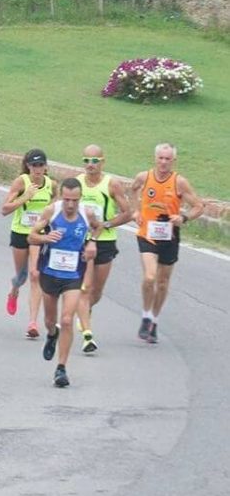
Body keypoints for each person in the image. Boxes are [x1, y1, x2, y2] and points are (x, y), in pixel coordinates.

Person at [131, 143, 204, 344]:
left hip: (169, 237)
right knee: (149, 276)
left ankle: (154, 320)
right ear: (155, 158)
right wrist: (136, 210)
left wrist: (184, 217)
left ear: (173, 161)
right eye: (160, 158)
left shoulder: (179, 182)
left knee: (162, 283)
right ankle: (145, 316)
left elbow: (199, 206)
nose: (163, 162)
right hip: (147, 234)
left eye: (167, 159)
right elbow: (133, 189)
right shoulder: (144, 177)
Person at [28, 179, 98, 387]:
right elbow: (31, 237)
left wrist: (93, 243)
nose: (70, 205)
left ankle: (61, 368)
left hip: (73, 275)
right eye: (66, 199)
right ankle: (52, 334)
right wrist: (46, 238)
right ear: (61, 197)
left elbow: (99, 227)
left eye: (74, 201)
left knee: (67, 319)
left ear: (80, 198)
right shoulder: (51, 211)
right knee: (51, 321)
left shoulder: (87, 214)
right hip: (49, 273)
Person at [75, 144, 132, 353]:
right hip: (82, 240)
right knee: (85, 287)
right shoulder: (77, 183)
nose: (90, 165)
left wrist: (105, 224)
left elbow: (128, 213)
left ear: (102, 162)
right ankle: (87, 335)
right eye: (86, 161)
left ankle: (87, 309)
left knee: (96, 291)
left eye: (94, 161)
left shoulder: (111, 184)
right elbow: (65, 206)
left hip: (105, 241)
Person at [1, 148, 57, 338]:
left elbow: (56, 209)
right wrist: (25, 197)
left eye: (41, 165)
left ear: (46, 167)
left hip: (38, 235)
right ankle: (14, 290)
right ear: (28, 166)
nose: (37, 169)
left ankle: (32, 323)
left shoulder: (51, 185)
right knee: (22, 276)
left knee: (35, 274)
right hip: (20, 233)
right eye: (34, 165)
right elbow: (5, 209)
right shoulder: (21, 182)